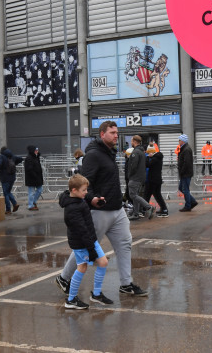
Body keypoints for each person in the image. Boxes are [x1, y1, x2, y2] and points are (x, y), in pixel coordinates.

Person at [55, 120, 148, 298]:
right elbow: (84, 183)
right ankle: (64, 278)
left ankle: (126, 284)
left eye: (117, 133)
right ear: (102, 134)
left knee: (125, 244)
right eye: (112, 132)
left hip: (117, 209)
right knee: (85, 247)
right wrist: (92, 198)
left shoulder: (109, 153)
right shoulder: (93, 155)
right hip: (99, 211)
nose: (116, 135)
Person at [59, 174, 111, 309]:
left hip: (90, 240)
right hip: (81, 243)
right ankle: (71, 300)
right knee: (82, 268)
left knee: (103, 262)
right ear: (74, 190)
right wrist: (91, 249)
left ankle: (96, 294)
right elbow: (81, 230)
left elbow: (81, 199)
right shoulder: (72, 208)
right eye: (84, 190)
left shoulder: (77, 199)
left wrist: (97, 201)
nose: (86, 193)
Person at [127, 135, 155, 220]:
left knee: (133, 195)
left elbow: (133, 166)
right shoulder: (142, 151)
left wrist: (129, 175)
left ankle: (149, 207)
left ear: (135, 141)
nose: (131, 142)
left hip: (135, 177)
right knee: (135, 195)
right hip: (141, 177)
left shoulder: (135, 152)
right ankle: (136, 214)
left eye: (131, 141)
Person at [0, 146, 23, 215]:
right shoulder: (12, 156)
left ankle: (8, 209)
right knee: (8, 192)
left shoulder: (2, 156)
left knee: (6, 193)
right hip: (12, 177)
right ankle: (15, 204)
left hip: (5, 178)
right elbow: (21, 159)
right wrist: (15, 163)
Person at [144, 144, 168, 217]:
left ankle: (164, 210)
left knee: (156, 195)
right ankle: (163, 209)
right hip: (156, 179)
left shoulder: (155, 158)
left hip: (154, 180)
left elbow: (148, 164)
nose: (148, 154)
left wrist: (147, 157)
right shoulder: (158, 157)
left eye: (148, 152)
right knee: (153, 194)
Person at [178, 134, 198, 212]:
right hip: (185, 173)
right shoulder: (184, 148)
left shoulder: (186, 149)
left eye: (179, 140)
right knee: (181, 188)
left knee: (185, 189)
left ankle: (188, 205)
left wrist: (182, 171)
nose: (178, 141)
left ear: (183, 141)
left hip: (185, 173)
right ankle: (192, 202)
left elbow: (186, 163)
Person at [24, 145, 43, 211]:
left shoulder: (36, 157)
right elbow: (29, 169)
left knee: (40, 190)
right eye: (36, 150)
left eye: (37, 150)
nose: (37, 151)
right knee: (31, 192)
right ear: (33, 151)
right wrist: (35, 176)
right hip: (31, 178)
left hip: (37, 178)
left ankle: (33, 202)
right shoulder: (29, 158)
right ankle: (31, 205)